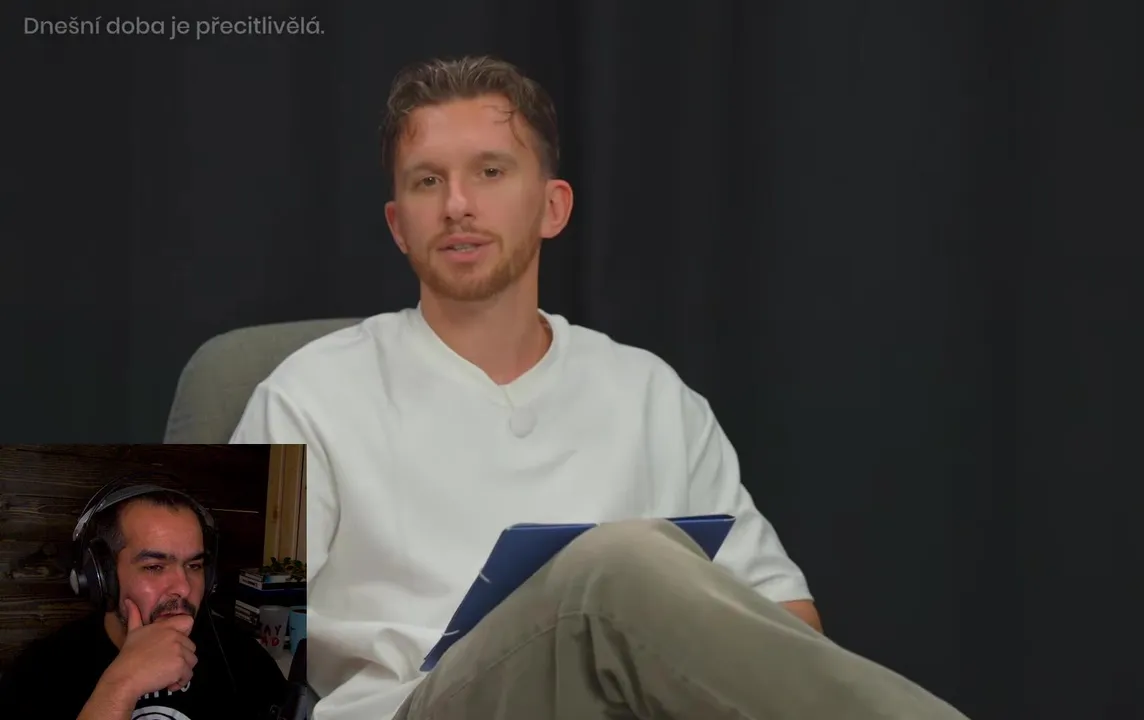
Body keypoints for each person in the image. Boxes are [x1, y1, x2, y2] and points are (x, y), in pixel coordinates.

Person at [230, 55, 968, 720]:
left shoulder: (648, 394)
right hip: (416, 708)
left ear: (552, 207)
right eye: (428, 181)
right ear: (398, 225)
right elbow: (233, 641)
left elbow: (786, 621)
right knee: (615, 568)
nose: (456, 204)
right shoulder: (311, 395)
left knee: (625, 580)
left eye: (490, 172)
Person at [0, 478, 287, 718]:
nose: (183, 588)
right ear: (102, 577)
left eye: (194, 566)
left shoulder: (244, 661)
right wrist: (121, 686)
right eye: (154, 567)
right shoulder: (41, 672)